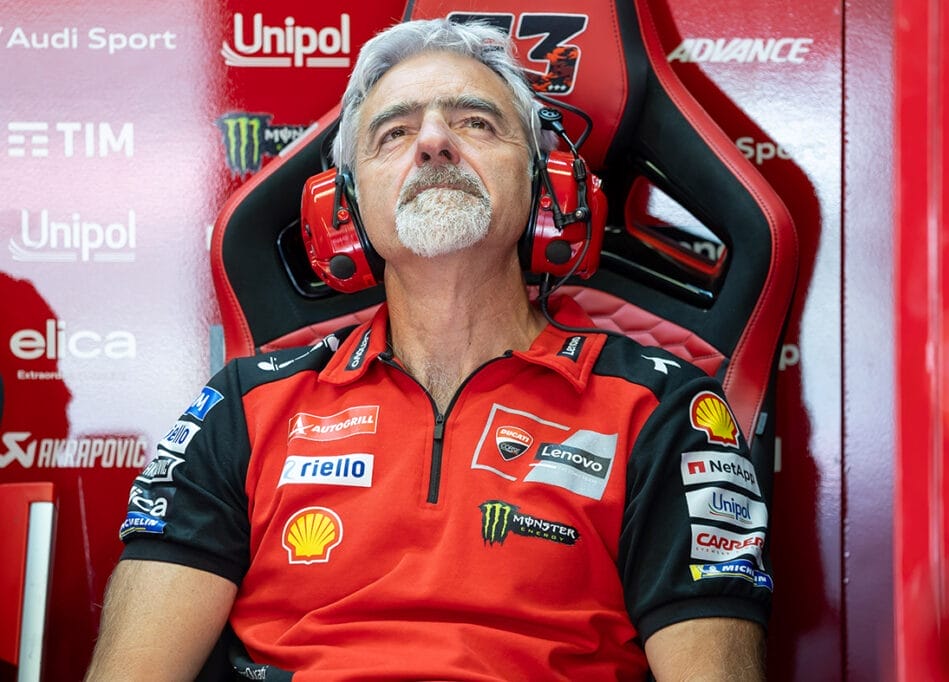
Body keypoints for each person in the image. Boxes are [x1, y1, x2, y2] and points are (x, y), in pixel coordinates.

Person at [87, 18, 772, 681]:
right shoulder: (244, 406)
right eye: (395, 132)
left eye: (476, 123)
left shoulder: (661, 408)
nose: (434, 142)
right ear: (343, 208)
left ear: (546, 185)